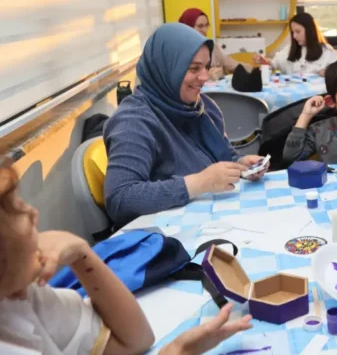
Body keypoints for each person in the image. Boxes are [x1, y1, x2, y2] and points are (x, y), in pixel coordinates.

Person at [0, 160, 253, 354]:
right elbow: (122, 198)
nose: (32, 212)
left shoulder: (22, 299)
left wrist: (81, 253)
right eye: (15, 209)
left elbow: (134, 341)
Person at [104, 24, 266, 228]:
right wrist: (199, 183)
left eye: (206, 67)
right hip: (166, 234)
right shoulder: (134, 121)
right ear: (166, 67)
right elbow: (121, 199)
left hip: (211, 220)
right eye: (193, 68)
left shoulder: (202, 107)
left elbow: (223, 155)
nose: (205, 77)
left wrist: (241, 163)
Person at [178, 8, 263, 80]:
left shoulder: (212, 47)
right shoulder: (178, 52)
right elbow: (181, 81)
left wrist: (257, 70)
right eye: (200, 26)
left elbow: (233, 65)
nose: (205, 30)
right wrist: (208, 77)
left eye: (207, 25)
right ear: (187, 27)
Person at [264, 13, 337, 76]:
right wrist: (265, 61)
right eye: (293, 32)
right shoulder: (289, 49)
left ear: (310, 31)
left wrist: (328, 73)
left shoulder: (327, 51)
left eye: (298, 32)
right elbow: (274, 64)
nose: (294, 36)